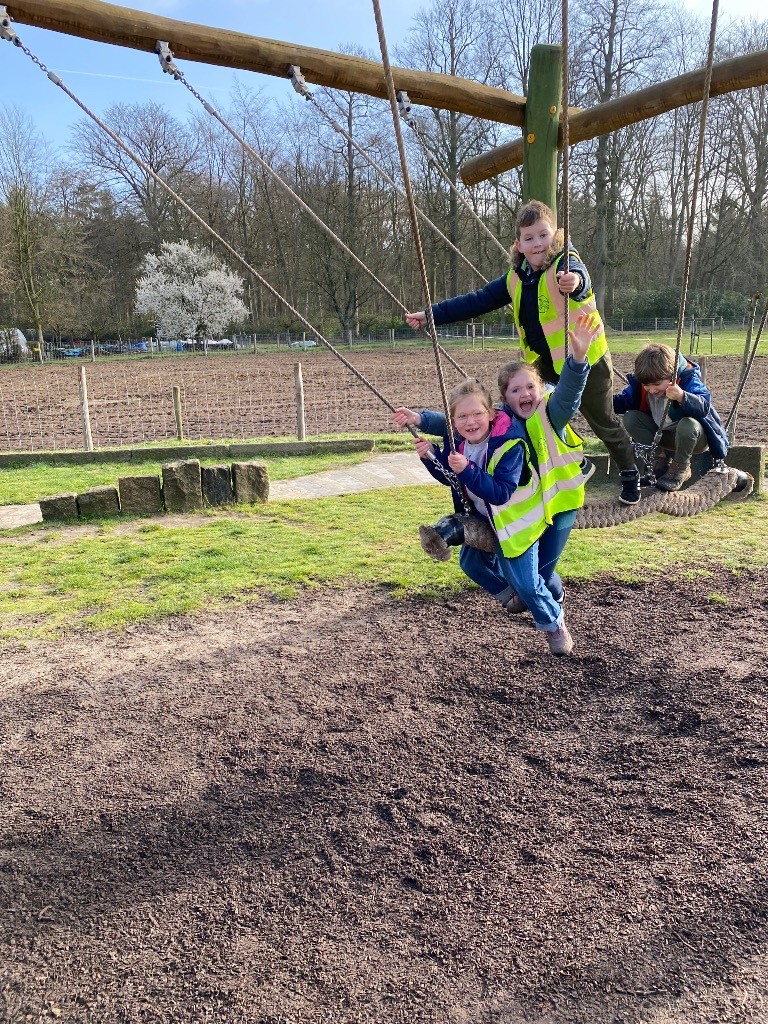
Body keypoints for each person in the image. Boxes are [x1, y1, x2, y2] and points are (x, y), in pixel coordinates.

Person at [392, 309, 601, 657]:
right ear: (503, 401)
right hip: (498, 513)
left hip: (542, 508)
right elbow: (459, 421)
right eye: (516, 390)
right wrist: (426, 439)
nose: (525, 394)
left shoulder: (544, 417)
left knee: (534, 576)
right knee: (473, 563)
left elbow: (568, 394)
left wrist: (578, 359)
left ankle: (552, 617)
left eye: (530, 387)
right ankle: (515, 597)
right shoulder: (484, 427)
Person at [405, 199, 641, 504]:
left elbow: (580, 279)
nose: (537, 243)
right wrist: (430, 315)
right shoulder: (515, 277)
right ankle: (577, 462)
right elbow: (476, 301)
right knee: (534, 416)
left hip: (587, 358)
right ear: (519, 244)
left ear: (556, 235)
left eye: (543, 235)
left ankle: (631, 473)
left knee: (602, 419)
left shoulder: (565, 263)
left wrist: (575, 282)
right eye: (529, 238)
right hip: (544, 365)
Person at [613, 342, 728, 491]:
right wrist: (597, 401)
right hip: (664, 438)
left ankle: (681, 468)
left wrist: (682, 396)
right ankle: (659, 461)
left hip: (694, 439)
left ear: (672, 375)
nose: (652, 390)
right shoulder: (644, 385)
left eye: (656, 384)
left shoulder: (688, 378)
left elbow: (704, 407)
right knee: (631, 417)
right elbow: (623, 402)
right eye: (647, 385)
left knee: (688, 424)